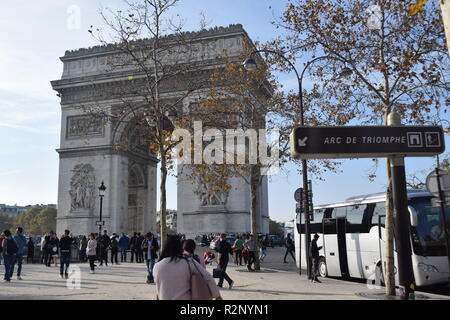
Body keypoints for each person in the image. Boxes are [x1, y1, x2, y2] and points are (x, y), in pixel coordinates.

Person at [153, 235, 222, 300]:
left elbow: (158, 289)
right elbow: (208, 277)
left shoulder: (157, 266)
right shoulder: (188, 262)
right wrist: (217, 296)